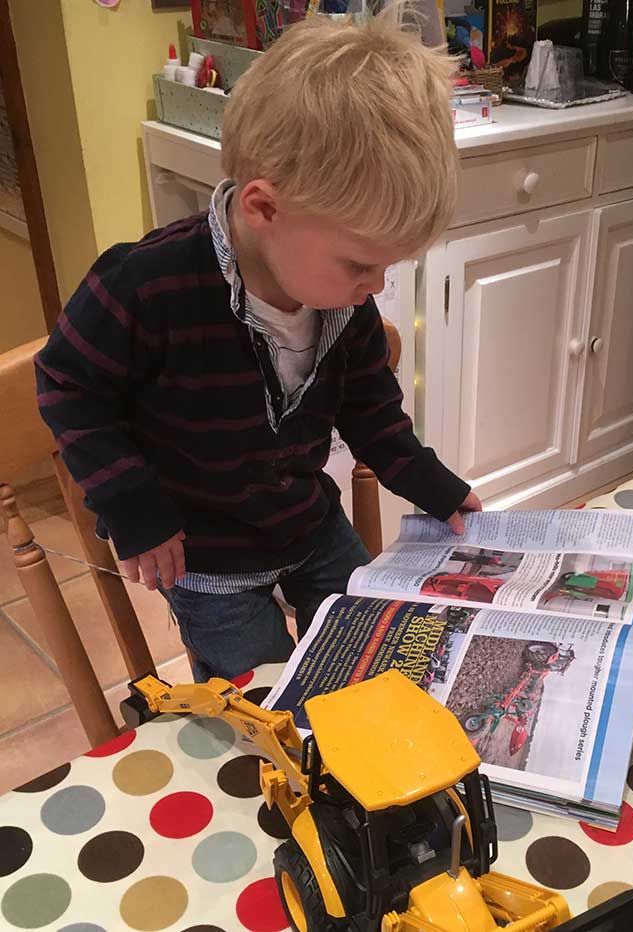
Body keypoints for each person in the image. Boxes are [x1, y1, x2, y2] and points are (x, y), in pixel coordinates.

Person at [35, 10, 480, 681]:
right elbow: (68, 386)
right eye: (360, 265)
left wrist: (428, 482)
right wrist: (131, 505)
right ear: (264, 208)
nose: (374, 288)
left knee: (375, 659)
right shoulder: (146, 284)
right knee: (263, 697)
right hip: (205, 557)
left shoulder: (340, 304)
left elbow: (372, 411)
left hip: (310, 526)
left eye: (388, 267)